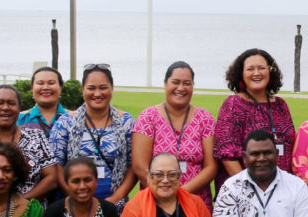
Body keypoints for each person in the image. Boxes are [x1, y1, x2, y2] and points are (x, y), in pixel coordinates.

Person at [50, 64, 138, 207]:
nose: (97, 94)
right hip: (75, 205)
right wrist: (74, 196)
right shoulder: (65, 123)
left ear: (112, 88)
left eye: (103, 87)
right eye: (91, 88)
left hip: (115, 206)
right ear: (82, 89)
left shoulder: (126, 122)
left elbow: (133, 166)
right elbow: (57, 166)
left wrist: (115, 199)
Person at [134, 61, 219, 204]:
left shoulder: (205, 119)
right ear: (165, 84)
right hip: (156, 199)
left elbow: (211, 166)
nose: (181, 88)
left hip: (195, 200)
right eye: (175, 82)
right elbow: (140, 166)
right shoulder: (148, 117)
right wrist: (165, 193)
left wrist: (181, 193)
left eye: (187, 83)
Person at [216, 48, 295, 185]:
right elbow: (227, 154)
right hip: (245, 189)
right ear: (241, 74)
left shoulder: (281, 105)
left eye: (261, 68)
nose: (256, 73)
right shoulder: (233, 105)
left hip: (282, 187)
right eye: (250, 69)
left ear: (270, 71)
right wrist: (250, 188)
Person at [17, 67, 68, 134]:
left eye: (51, 83)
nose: (45, 87)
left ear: (60, 88)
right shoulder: (19, 119)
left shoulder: (74, 118)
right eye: (40, 83)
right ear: (32, 88)